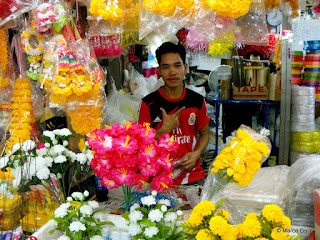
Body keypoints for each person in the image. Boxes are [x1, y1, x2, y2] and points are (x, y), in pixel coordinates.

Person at [138, 42, 210, 185]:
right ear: (159, 71)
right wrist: (164, 130)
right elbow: (141, 144)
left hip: (192, 176)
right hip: (160, 179)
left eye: (177, 66)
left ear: (185, 68)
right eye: (166, 67)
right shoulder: (148, 103)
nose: (172, 72)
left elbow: (205, 135)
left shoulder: (196, 101)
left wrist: (197, 154)